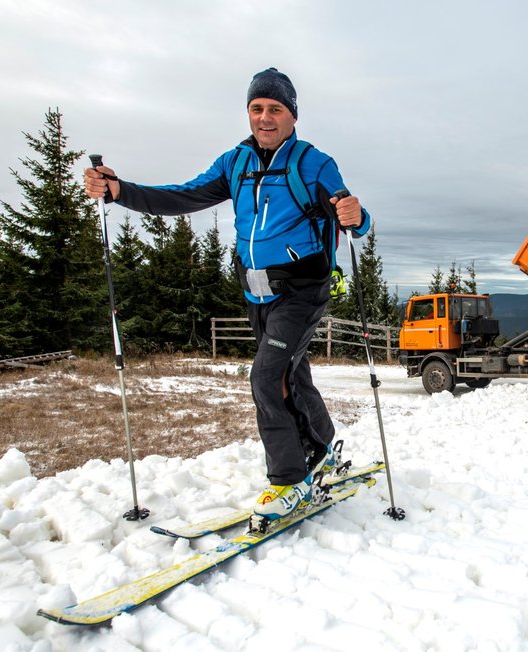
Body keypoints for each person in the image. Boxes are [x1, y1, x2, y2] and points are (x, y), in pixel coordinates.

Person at [83, 67, 371, 524]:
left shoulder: (312, 163)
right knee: (289, 376)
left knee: (265, 376)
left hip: (302, 290)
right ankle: (322, 449)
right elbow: (183, 197)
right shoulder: (235, 163)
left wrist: (358, 216)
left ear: (292, 116)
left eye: (275, 109)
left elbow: (348, 210)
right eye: (257, 108)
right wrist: (120, 191)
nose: (265, 117)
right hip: (257, 293)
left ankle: (290, 480)